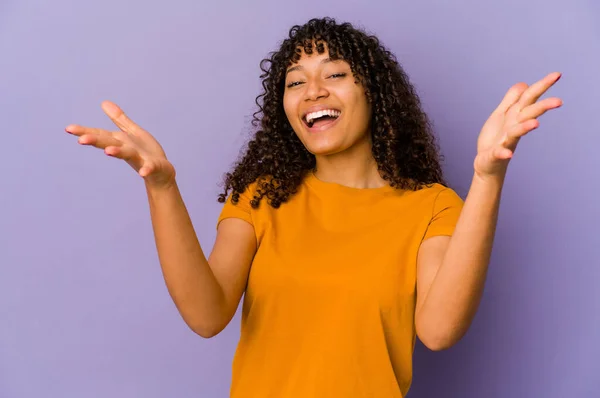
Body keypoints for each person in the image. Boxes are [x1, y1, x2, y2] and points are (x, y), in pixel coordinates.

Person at [65, 17, 562, 398]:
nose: (313, 91)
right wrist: (162, 188)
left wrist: (487, 177)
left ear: (376, 95)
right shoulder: (262, 197)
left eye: (336, 74)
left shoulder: (431, 207)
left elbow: (439, 330)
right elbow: (206, 313)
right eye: (295, 81)